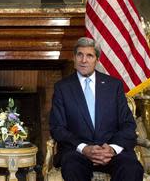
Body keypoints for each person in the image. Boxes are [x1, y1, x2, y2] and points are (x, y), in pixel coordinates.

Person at [49, 37, 144, 181]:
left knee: (131, 168)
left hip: (111, 150)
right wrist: (84, 148)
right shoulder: (62, 88)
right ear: (74, 58)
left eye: (89, 55)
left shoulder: (114, 86)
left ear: (97, 60)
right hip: (78, 151)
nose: (84, 60)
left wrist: (111, 149)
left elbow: (128, 125)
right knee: (72, 166)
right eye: (80, 55)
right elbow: (57, 128)